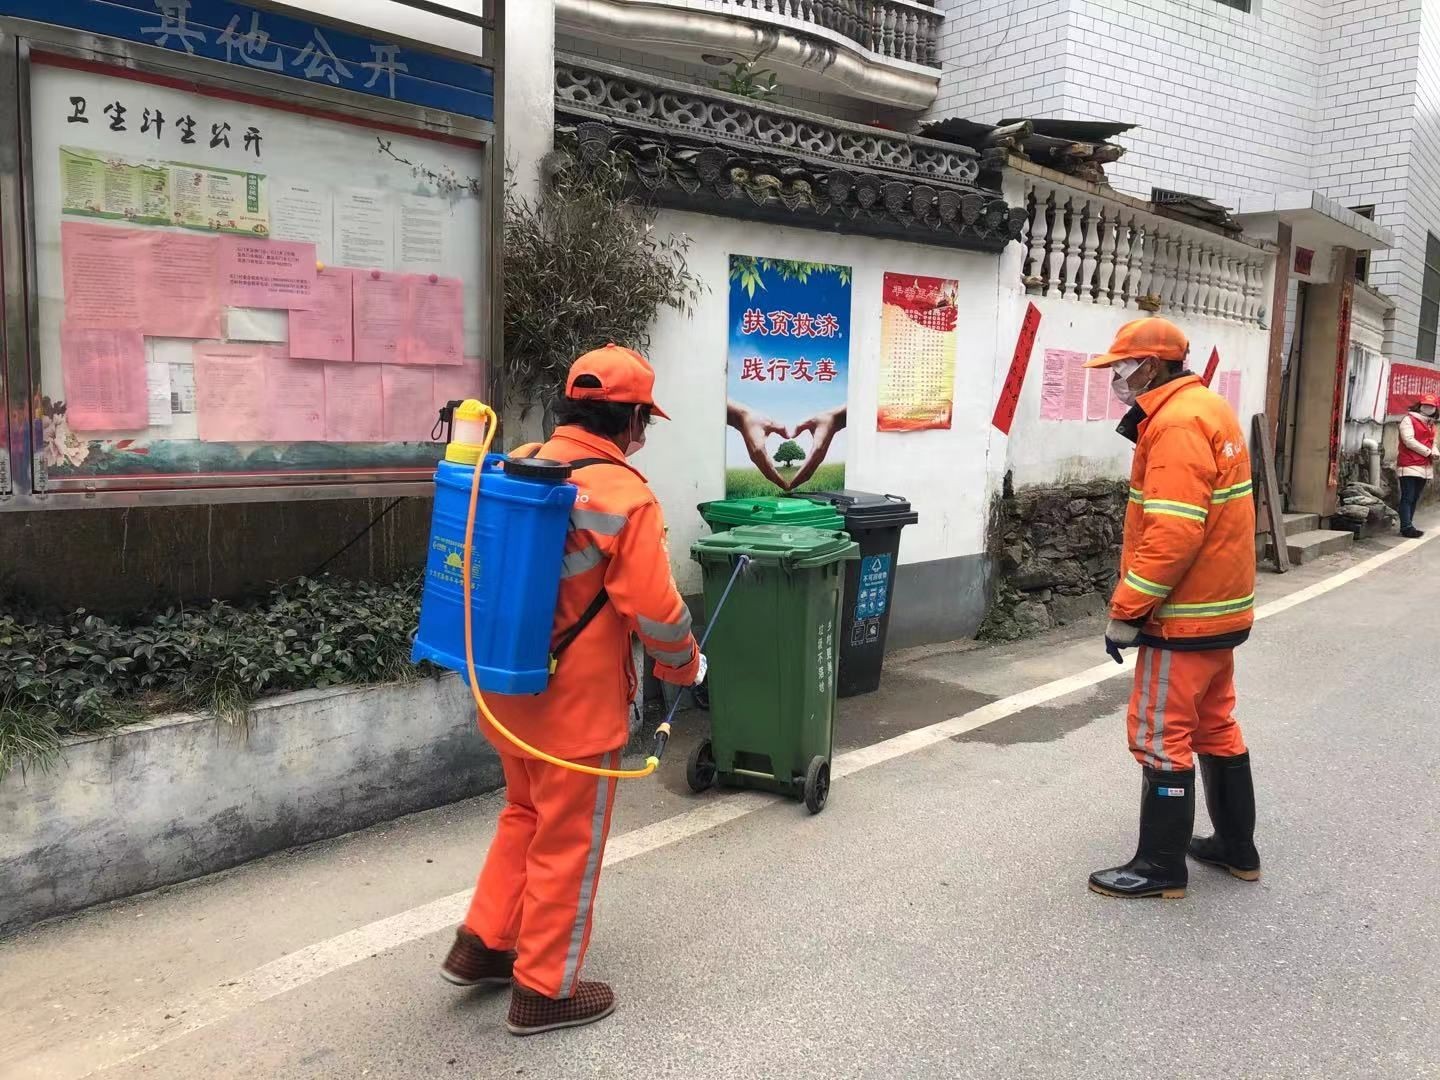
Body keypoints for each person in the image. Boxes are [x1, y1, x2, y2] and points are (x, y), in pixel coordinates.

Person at [440, 344, 703, 1034]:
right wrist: (684, 666)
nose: (644, 433)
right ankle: (543, 990)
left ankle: (483, 944)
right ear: (632, 420)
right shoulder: (626, 496)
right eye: (644, 420)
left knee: (524, 815)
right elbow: (655, 610)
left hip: (507, 688)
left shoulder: (520, 462)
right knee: (566, 843)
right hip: (576, 709)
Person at [1082, 318, 1261, 900]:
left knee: (1160, 734)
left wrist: (1128, 610)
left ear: (1152, 366)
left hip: (1182, 615)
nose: (1116, 378)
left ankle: (1160, 868)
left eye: (1121, 368)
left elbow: (1173, 533)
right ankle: (1236, 848)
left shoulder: (1177, 424)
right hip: (1220, 610)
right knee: (1215, 725)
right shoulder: (1208, 407)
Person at [1396, 392, 1439, 539]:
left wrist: (1435, 452)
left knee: (1414, 497)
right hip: (1409, 463)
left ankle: (1409, 525)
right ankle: (1406, 527)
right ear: (1420, 405)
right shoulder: (1408, 420)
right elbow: (1408, 440)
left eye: (1431, 406)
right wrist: (1428, 452)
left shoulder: (1430, 423)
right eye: (1425, 405)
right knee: (1408, 496)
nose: (1428, 408)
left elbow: (1432, 442)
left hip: (1424, 465)